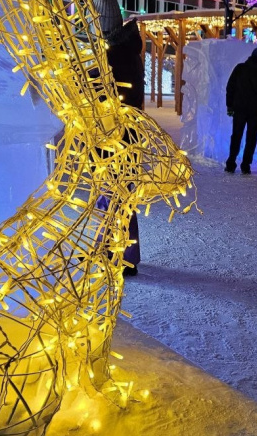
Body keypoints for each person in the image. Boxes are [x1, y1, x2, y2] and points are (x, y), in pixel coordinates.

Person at [97, 0, 144, 276]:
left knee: (116, 198)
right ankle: (113, 251)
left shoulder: (116, 56)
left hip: (117, 137)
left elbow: (107, 95)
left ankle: (124, 256)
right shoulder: (126, 51)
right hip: (124, 136)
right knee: (115, 198)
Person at [225, 47, 257, 175]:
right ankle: (246, 165)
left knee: (236, 136)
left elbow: (230, 87)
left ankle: (231, 163)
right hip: (256, 112)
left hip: (240, 109)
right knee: (251, 138)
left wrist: (229, 105)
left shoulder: (240, 69)